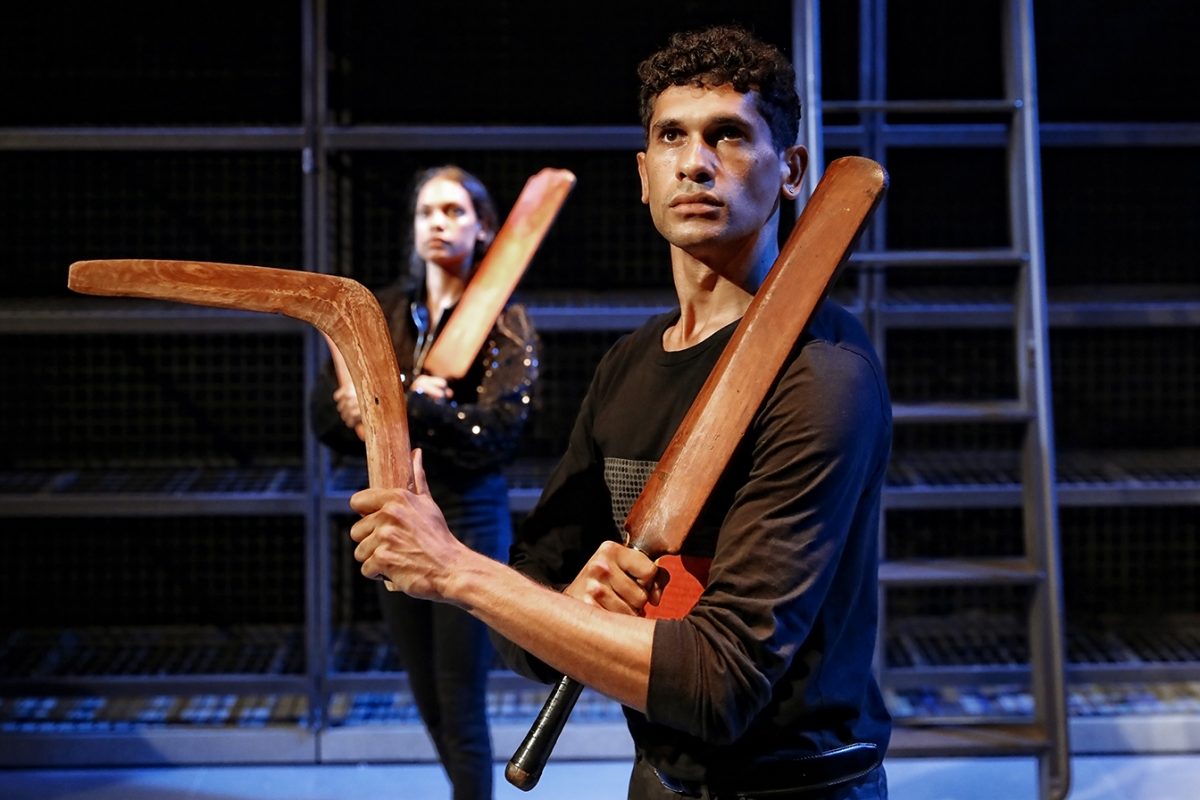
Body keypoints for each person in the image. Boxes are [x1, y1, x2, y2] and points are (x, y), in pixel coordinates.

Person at [346, 24, 892, 800]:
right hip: (658, 779)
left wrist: (457, 571)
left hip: (798, 787)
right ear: (644, 173)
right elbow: (530, 618)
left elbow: (719, 683)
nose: (696, 162)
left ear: (792, 169)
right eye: (672, 136)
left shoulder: (823, 377)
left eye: (729, 135)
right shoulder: (630, 365)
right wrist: (564, 608)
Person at [310, 164, 540, 800]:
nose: (439, 223)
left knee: (459, 694)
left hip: (467, 519)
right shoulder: (381, 312)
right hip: (394, 515)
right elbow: (323, 415)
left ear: (483, 226)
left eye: (455, 211)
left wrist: (416, 405)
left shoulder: (503, 320)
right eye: (427, 212)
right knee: (427, 697)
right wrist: (352, 409)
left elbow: (499, 430)